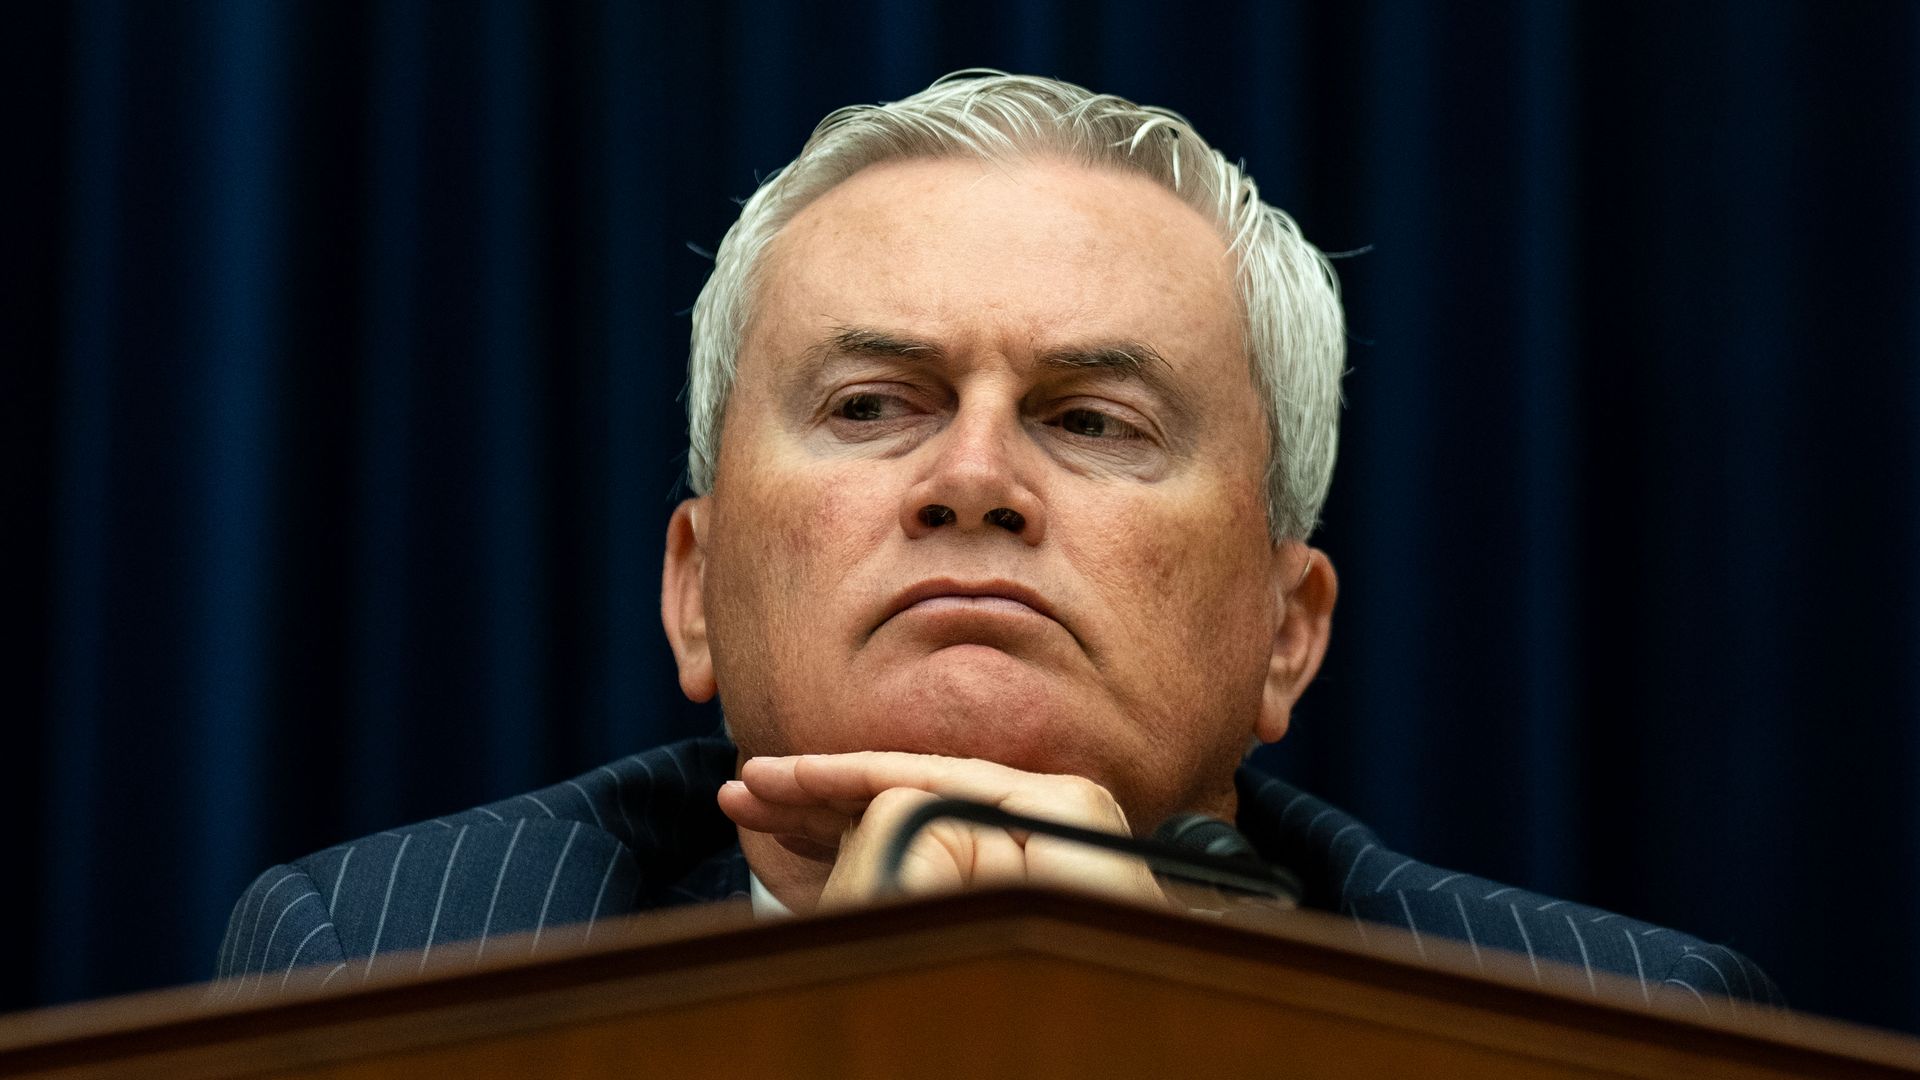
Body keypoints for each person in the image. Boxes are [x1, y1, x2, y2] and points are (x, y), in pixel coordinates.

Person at [215, 72, 1778, 1010]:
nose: (974, 479)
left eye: (1094, 421)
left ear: (1284, 627)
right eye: (873, 405)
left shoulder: (1622, 1029)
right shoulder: (394, 964)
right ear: (693, 591)